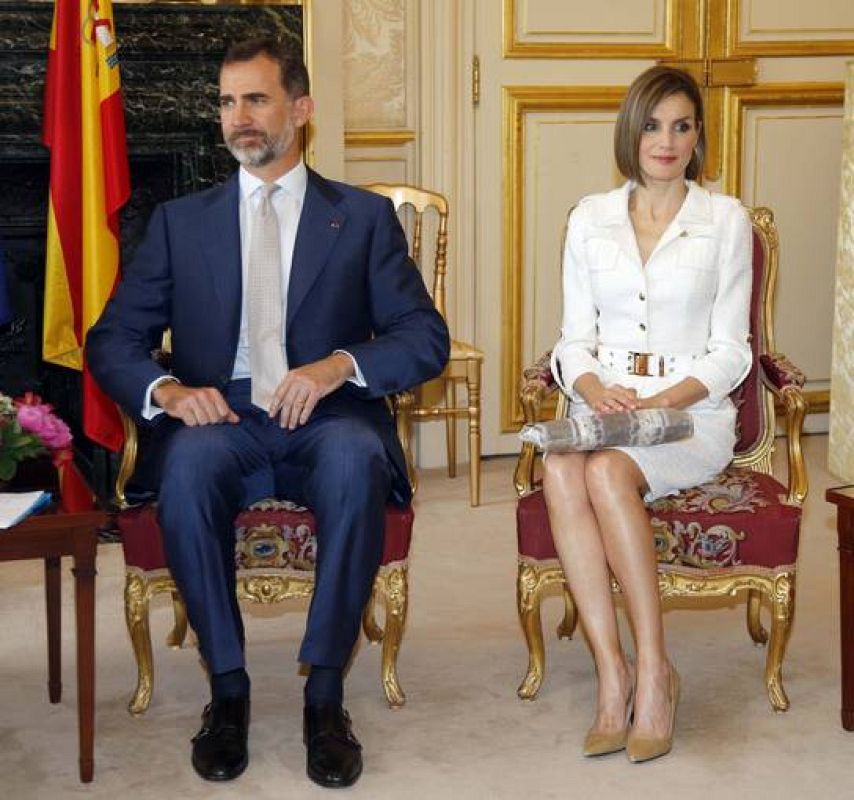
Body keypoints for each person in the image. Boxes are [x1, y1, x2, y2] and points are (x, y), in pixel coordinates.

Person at [87, 37, 449, 788]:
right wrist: (170, 394)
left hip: (327, 420)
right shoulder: (181, 223)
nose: (238, 118)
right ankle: (228, 691)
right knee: (186, 469)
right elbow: (113, 339)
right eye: (227, 102)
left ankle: (324, 697)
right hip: (223, 421)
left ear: (301, 109)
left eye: (256, 99)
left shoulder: (363, 217)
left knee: (355, 461)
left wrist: (336, 365)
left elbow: (425, 338)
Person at [544, 65, 752, 763]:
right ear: (630, 132)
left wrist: (661, 403)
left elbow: (731, 352)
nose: (666, 141)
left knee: (604, 472)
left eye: (682, 125)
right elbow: (571, 338)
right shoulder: (589, 218)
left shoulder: (725, 220)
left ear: (699, 136)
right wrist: (595, 384)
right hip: (606, 402)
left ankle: (655, 673)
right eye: (653, 124)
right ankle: (614, 674)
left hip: (690, 415)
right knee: (561, 468)